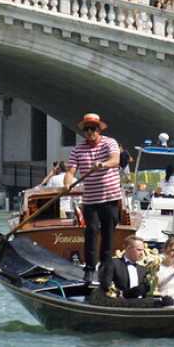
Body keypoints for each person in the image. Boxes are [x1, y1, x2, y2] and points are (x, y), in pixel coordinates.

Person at [64, 113, 121, 288]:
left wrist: (102, 164)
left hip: (111, 197)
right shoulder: (78, 150)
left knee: (108, 232)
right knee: (91, 230)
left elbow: (115, 160)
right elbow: (70, 172)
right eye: (87, 129)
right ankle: (90, 268)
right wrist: (67, 185)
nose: (90, 132)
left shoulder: (109, 142)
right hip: (90, 199)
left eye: (93, 129)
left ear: (99, 129)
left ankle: (105, 267)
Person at [157, 237, 174, 307]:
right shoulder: (158, 268)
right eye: (173, 250)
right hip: (165, 302)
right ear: (165, 250)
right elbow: (156, 286)